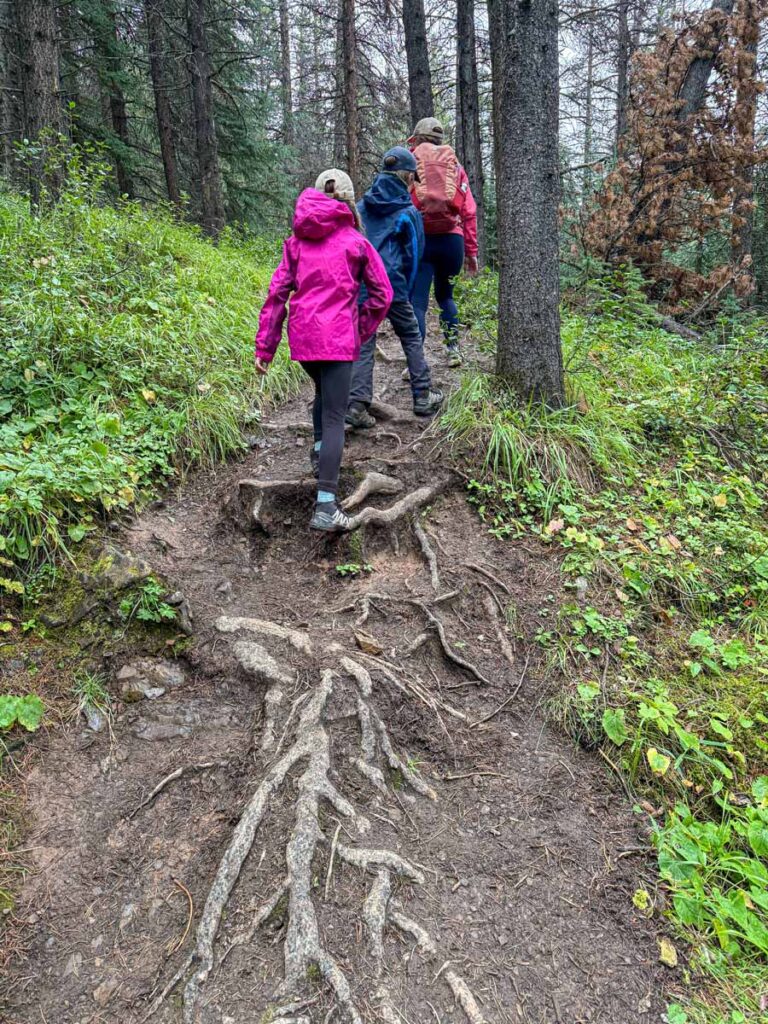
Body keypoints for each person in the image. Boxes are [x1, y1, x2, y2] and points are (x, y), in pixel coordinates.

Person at [255, 169, 393, 532]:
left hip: (304, 340)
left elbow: (277, 294)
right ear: (348, 201)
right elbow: (383, 294)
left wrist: (265, 347)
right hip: (337, 340)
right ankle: (326, 505)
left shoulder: (296, 243)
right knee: (335, 416)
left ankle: (319, 453)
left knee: (323, 392)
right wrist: (360, 329)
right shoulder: (356, 242)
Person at [347, 147, 443, 428]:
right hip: (393, 285)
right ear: (408, 177)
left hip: (364, 285)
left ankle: (356, 405)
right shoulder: (408, 211)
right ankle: (422, 396)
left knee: (365, 341)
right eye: (413, 178)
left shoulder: (361, 206)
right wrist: (405, 291)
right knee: (410, 335)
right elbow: (414, 255)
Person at [407, 117, 479, 368]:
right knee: (446, 296)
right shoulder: (455, 165)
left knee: (417, 301)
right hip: (452, 241)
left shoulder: (411, 161)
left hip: (421, 240)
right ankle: (453, 350)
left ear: (417, 138)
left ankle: (415, 360)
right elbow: (469, 211)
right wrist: (471, 251)